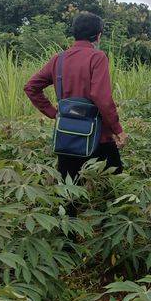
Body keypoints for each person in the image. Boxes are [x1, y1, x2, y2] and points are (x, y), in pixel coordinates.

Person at [24, 12, 127, 181]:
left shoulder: (59, 59)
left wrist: (53, 112)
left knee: (69, 189)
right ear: (98, 35)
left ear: (75, 33)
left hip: (67, 135)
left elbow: (31, 87)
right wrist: (118, 129)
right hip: (98, 136)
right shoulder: (97, 57)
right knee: (110, 187)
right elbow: (101, 97)